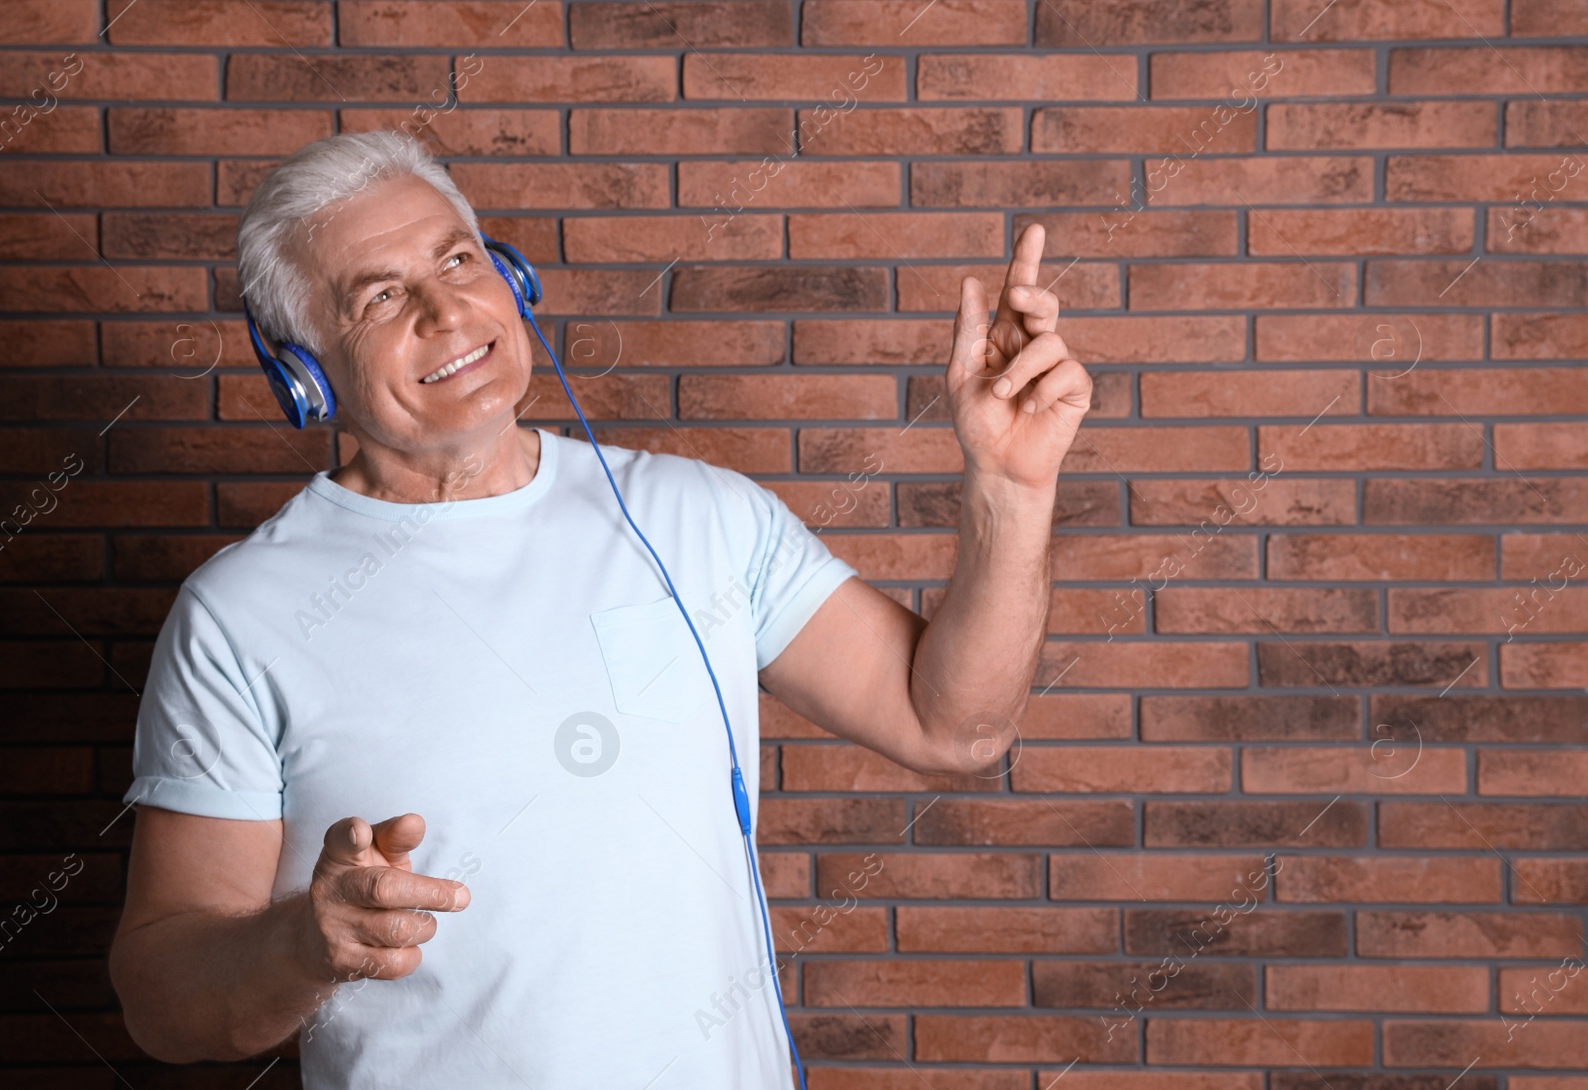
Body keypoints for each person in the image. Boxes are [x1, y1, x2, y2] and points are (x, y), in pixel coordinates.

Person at [107, 129, 1092, 1089]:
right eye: (380, 296)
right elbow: (161, 1001)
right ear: (302, 369)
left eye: (457, 259)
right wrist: (301, 943)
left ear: (512, 278)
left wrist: (1010, 489)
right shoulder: (241, 615)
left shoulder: (697, 514)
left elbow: (949, 724)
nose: (446, 311)